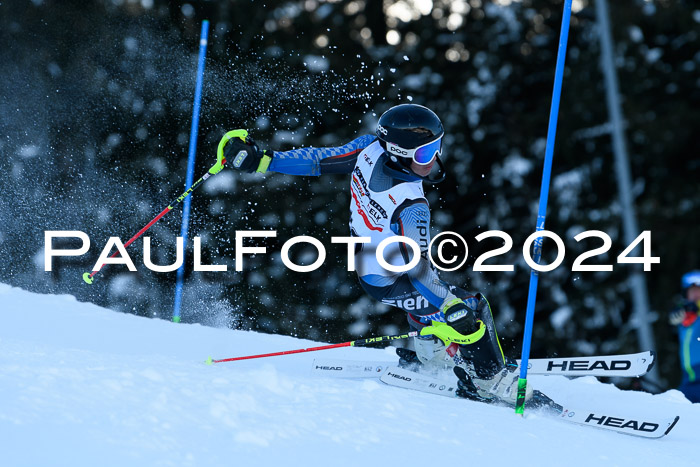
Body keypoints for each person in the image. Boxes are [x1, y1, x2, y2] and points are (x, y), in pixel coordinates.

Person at [222, 104, 532, 405]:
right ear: (399, 153)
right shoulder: (412, 205)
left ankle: (430, 350)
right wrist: (451, 305)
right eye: (425, 153)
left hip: (370, 260)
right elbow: (418, 270)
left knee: (429, 300)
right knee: (471, 306)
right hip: (388, 277)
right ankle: (489, 380)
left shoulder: (368, 149)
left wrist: (263, 160)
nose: (434, 158)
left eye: (437, 147)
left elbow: (318, 160)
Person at [669, 270, 700, 403]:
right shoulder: (686, 316)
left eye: (698, 290)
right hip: (689, 378)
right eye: (692, 290)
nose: (695, 294)